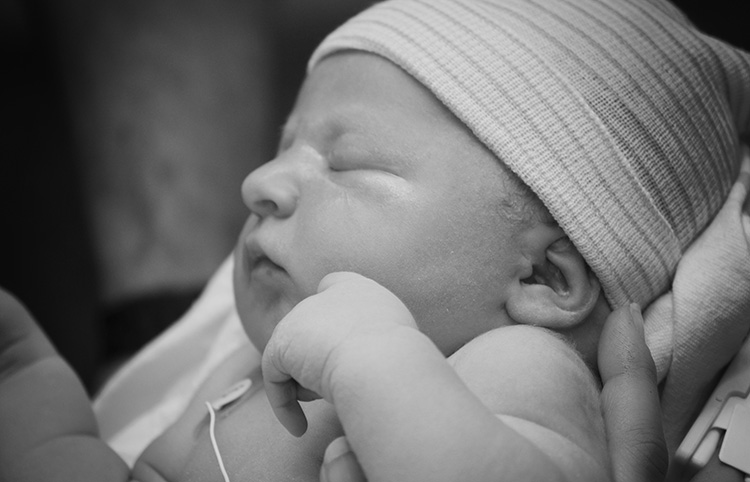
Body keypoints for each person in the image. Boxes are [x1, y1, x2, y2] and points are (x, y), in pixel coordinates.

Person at [2, 0, 750, 480]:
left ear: (542, 278)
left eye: (347, 162)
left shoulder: (516, 370)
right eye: (282, 148)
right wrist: (39, 414)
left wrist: (373, 358)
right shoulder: (244, 359)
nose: (259, 182)